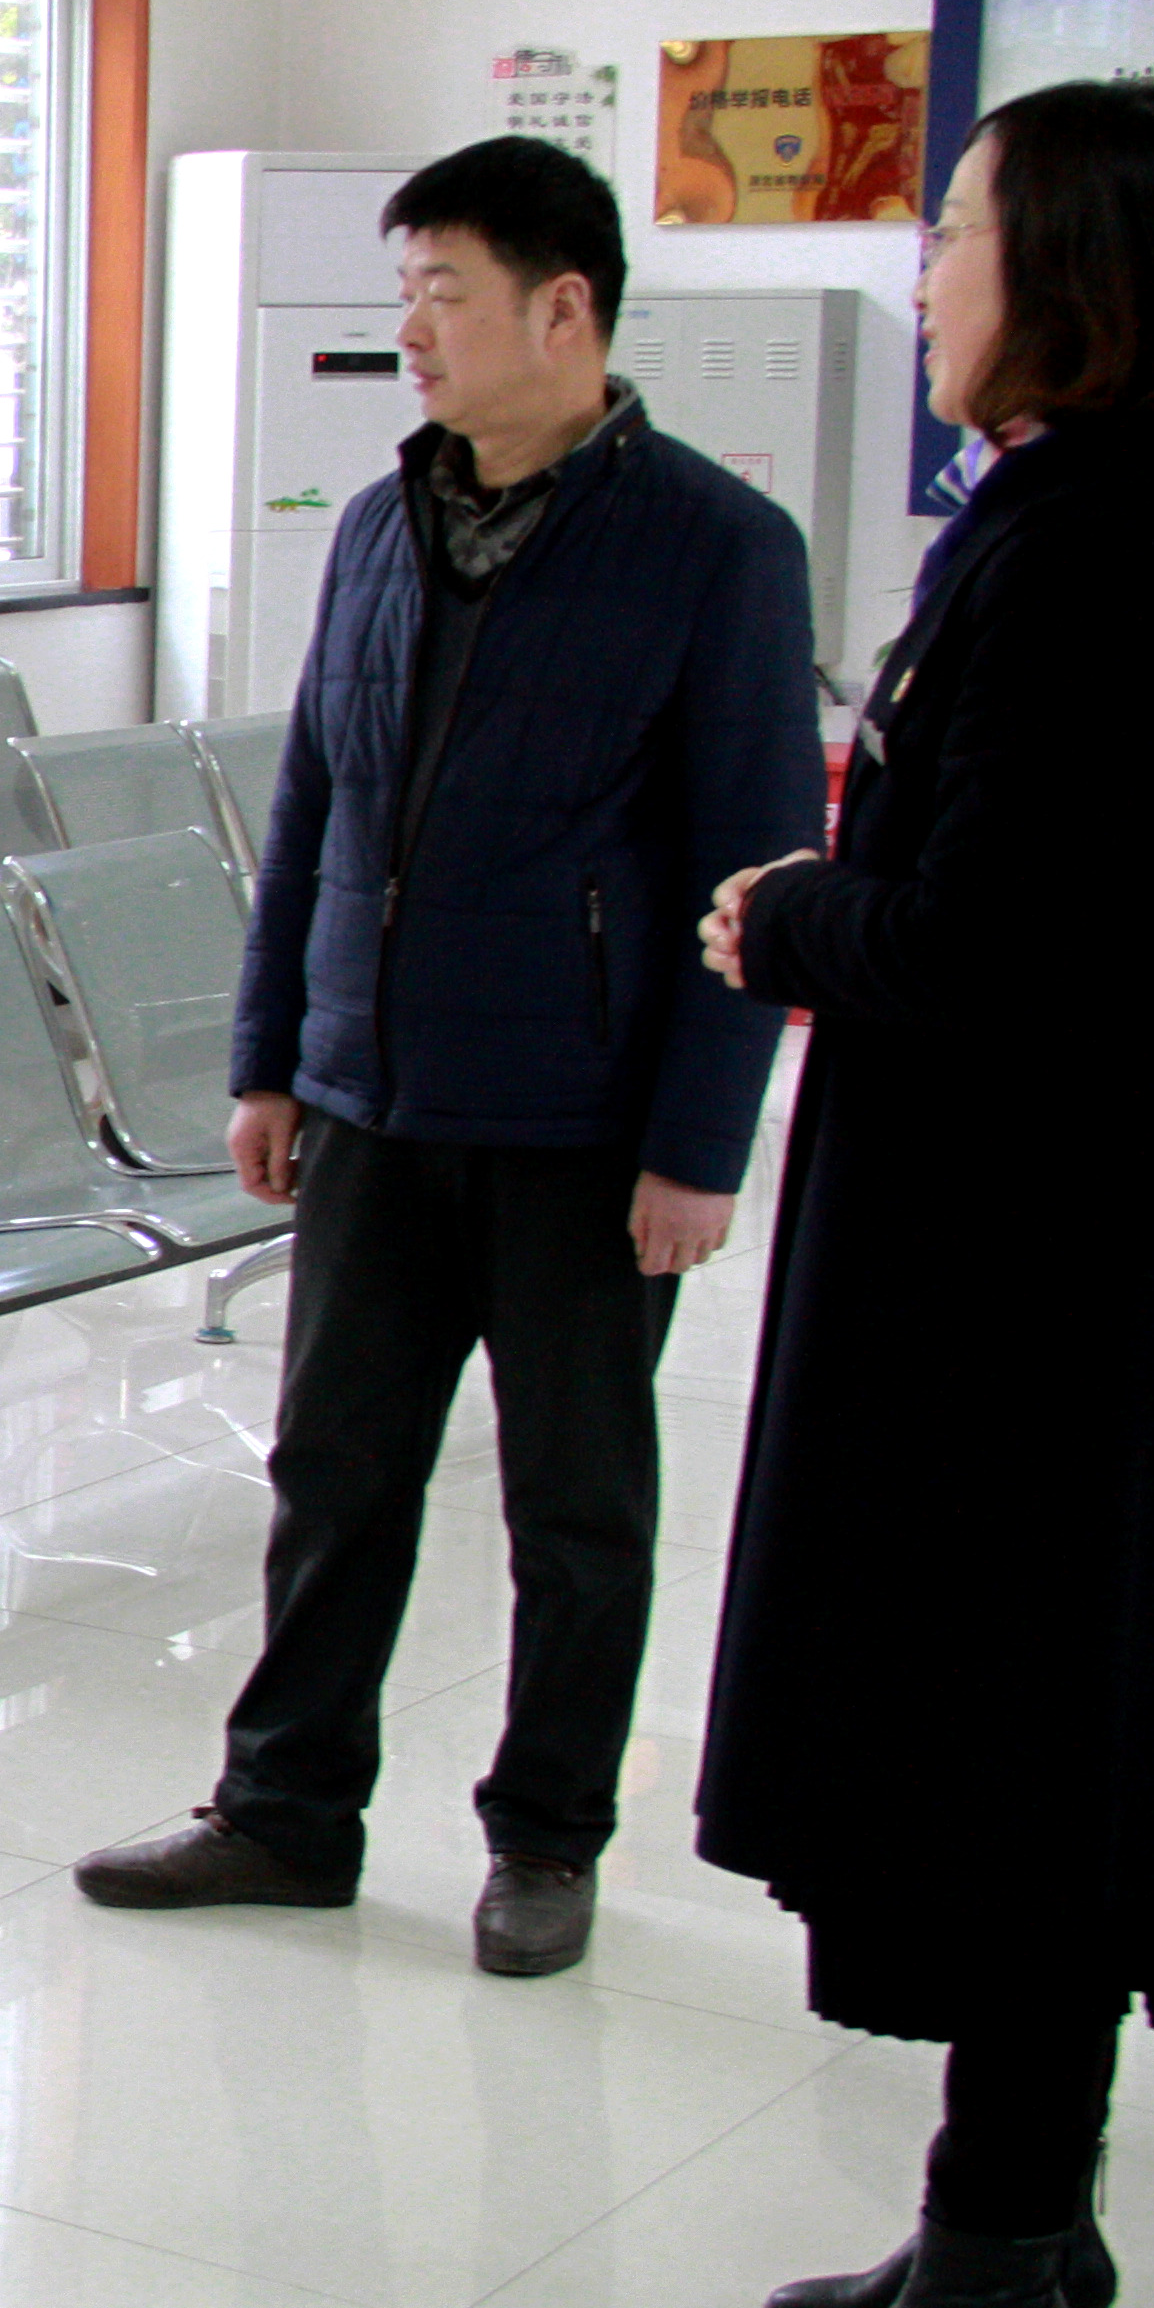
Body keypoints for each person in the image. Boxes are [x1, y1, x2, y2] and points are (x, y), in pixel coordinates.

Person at [694, 78, 1154, 2308]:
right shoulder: (1085, 516)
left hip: (1025, 1281)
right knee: (1017, 1733)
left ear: (1081, 275)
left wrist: (787, 921)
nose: (922, 273)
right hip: (1021, 1236)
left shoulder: (1105, 552)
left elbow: (998, 943)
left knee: (1025, 1754)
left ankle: (997, 2271)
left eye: (955, 231)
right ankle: (1020, 2234)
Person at [76, 135, 825, 1974]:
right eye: (402, 290)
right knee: (334, 1476)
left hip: (582, 1119)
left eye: (442, 292)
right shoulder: (378, 524)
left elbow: (757, 864)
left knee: (577, 1508)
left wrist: (700, 1146)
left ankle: (549, 1837)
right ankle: (283, 1812)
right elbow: (315, 808)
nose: (407, 329)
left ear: (564, 309)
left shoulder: (717, 547)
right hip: (372, 1102)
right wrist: (274, 1056)